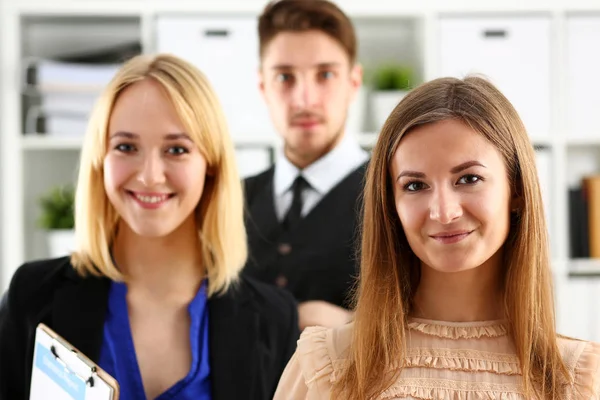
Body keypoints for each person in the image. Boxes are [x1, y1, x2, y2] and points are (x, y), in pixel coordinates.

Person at [274, 76, 600, 399]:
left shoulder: (578, 378)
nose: (443, 212)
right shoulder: (325, 366)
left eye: (468, 178)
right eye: (415, 185)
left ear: (516, 189)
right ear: (390, 205)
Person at [0, 54, 299, 400]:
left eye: (176, 149)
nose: (149, 175)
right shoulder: (33, 297)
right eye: (126, 147)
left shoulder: (274, 318)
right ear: (100, 159)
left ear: (211, 165)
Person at [243, 0, 368, 331]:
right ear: (262, 87)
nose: (304, 99)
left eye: (325, 75)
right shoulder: (230, 197)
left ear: (353, 83)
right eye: (284, 77)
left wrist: (356, 328)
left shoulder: (394, 195)